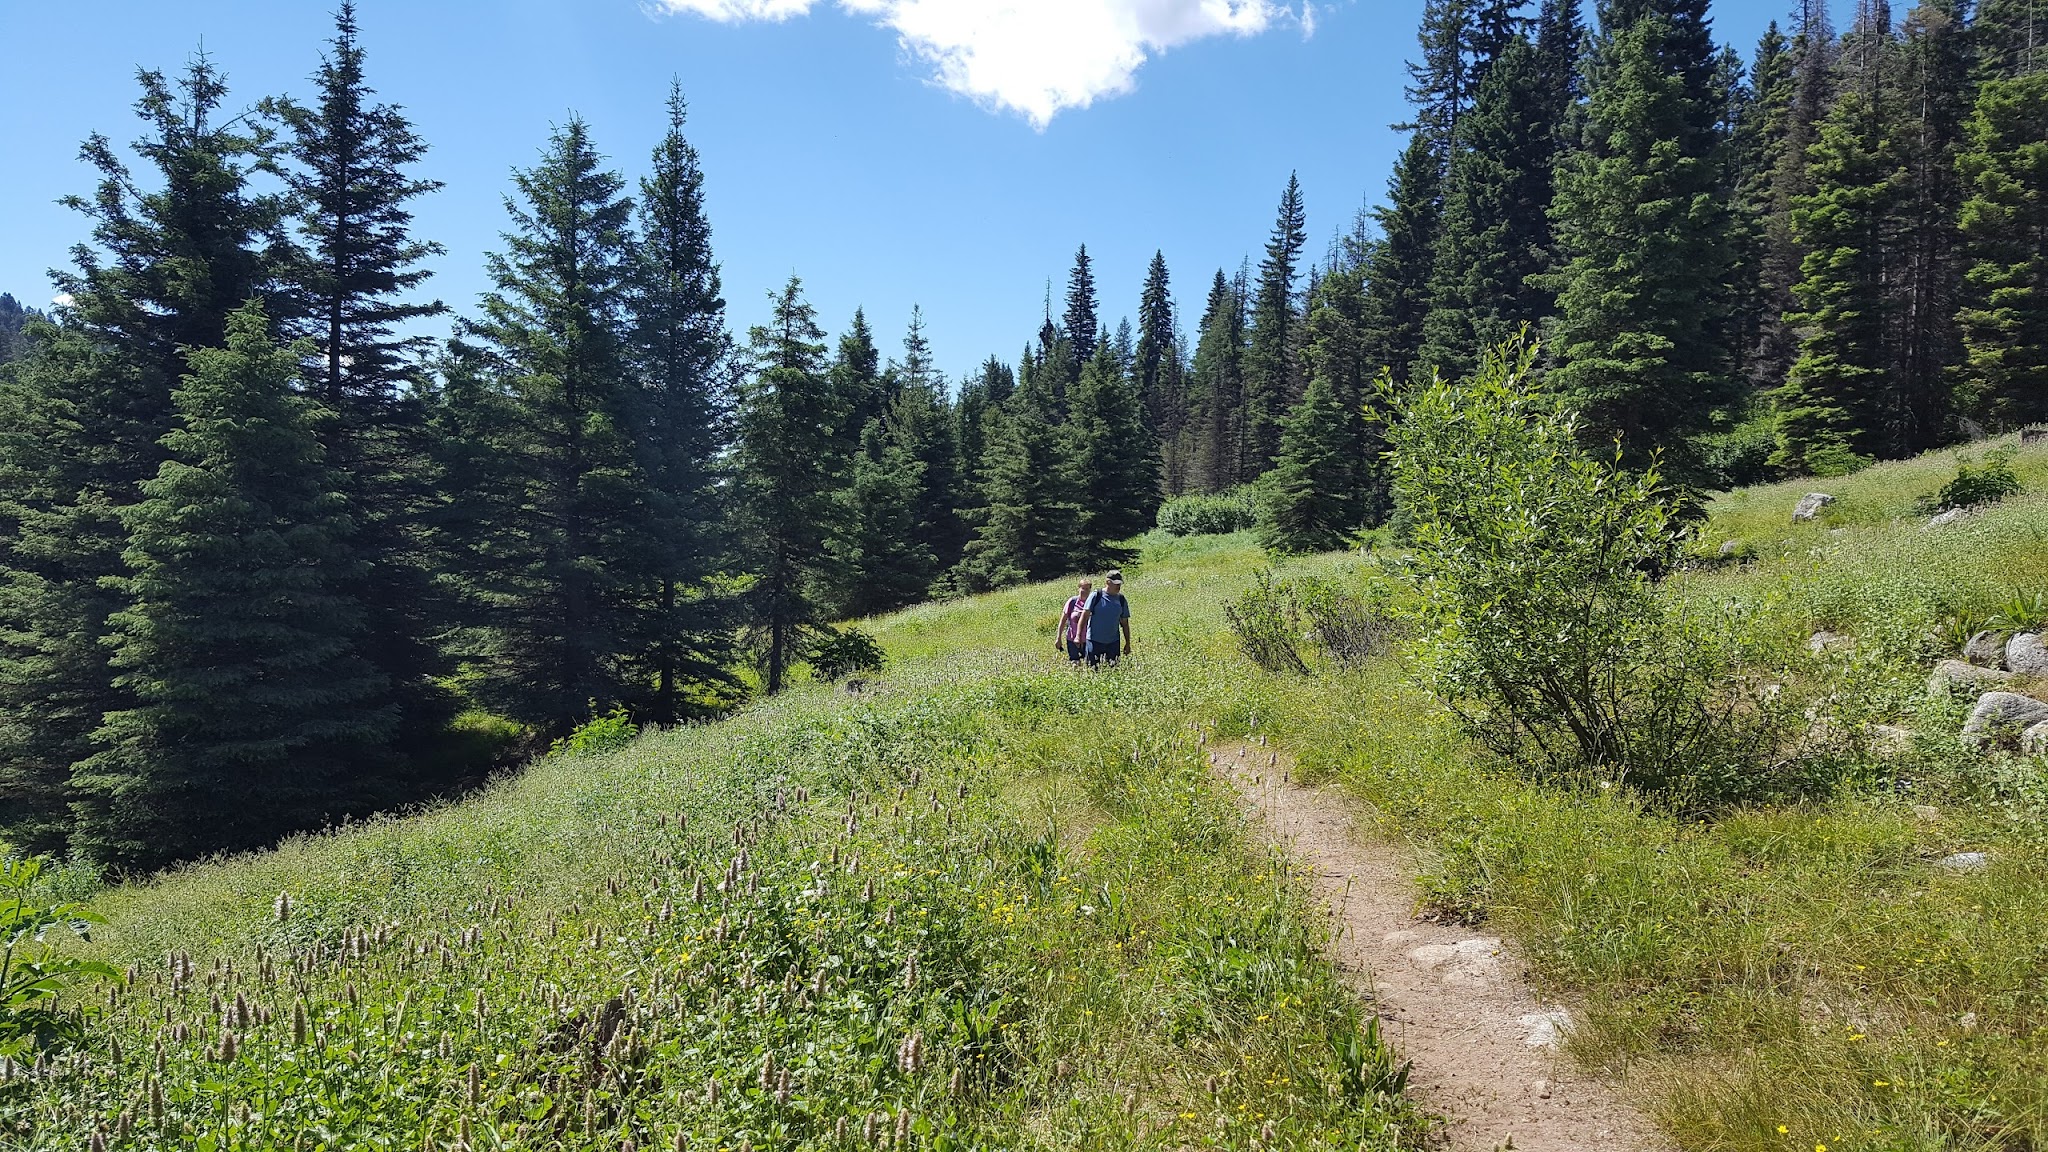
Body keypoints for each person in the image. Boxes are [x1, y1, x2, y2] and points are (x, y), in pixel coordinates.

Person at [1077, 569, 1132, 667]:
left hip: (1113, 642)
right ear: (1107, 582)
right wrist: (1078, 636)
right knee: (1093, 670)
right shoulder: (1096, 595)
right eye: (1115, 583)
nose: (1118, 586)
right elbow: (1084, 616)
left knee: (1114, 671)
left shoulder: (1121, 600)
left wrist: (1128, 643)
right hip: (1094, 641)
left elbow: (1125, 623)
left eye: (1119, 583)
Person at [1055, 578, 1093, 663]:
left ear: (1090, 589)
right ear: (1078, 588)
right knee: (1075, 662)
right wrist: (1058, 638)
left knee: (1090, 663)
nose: (1084, 591)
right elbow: (1063, 620)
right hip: (1072, 638)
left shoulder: (1093, 603)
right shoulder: (1072, 601)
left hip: (1088, 639)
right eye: (1082, 588)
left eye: (1087, 589)